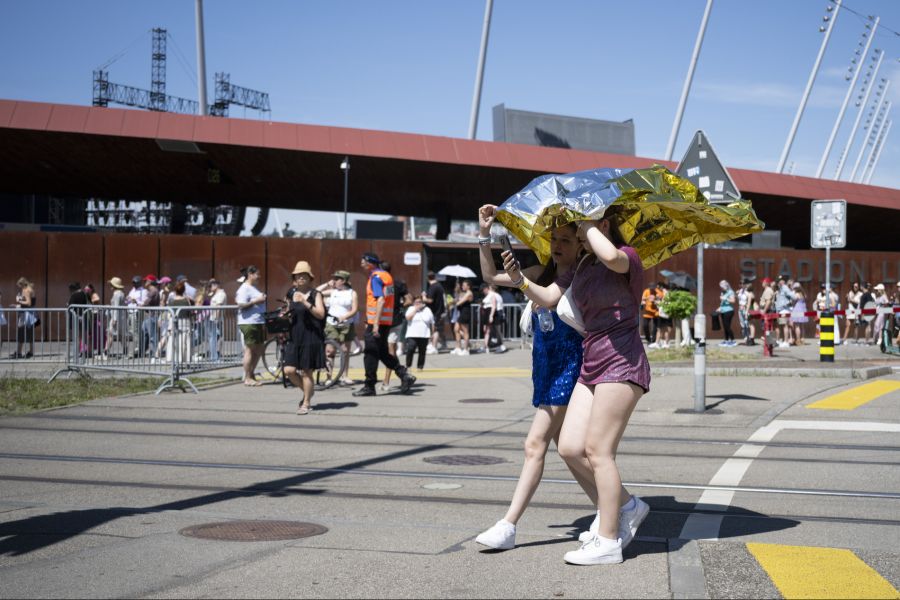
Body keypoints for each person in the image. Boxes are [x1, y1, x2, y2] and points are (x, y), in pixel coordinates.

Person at [499, 211, 651, 565]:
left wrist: (587, 227)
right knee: (568, 447)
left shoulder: (627, 257)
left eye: (583, 232)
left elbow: (610, 257)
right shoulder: (582, 268)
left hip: (622, 360)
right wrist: (520, 279)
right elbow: (549, 296)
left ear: (604, 227)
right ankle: (628, 506)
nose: (578, 240)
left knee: (598, 451)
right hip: (591, 360)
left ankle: (609, 541)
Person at [474, 206, 598, 551]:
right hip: (544, 366)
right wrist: (485, 237)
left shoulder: (578, 276)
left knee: (534, 444)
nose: (557, 245)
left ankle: (508, 525)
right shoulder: (540, 270)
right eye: (553, 238)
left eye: (565, 239)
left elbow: (549, 297)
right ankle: (615, 507)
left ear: (581, 245)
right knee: (567, 450)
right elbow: (488, 277)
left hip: (568, 368)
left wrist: (519, 279)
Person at [352, 253, 416, 397]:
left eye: (364, 260)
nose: (361, 262)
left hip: (378, 322)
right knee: (382, 353)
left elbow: (380, 300)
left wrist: (374, 324)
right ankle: (404, 374)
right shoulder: (387, 276)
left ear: (371, 263)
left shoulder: (375, 277)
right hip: (386, 321)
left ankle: (369, 386)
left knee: (370, 353)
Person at [283, 261, 326, 415]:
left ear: (309, 278)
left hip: (311, 337)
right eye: (298, 276)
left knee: (307, 372)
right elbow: (289, 311)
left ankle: (306, 402)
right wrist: (284, 315)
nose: (300, 278)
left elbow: (321, 315)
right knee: (289, 370)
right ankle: (308, 391)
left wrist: (305, 302)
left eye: (304, 275)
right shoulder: (290, 293)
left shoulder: (316, 294)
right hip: (295, 337)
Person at [317, 270, 359, 386]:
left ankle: (345, 376)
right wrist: (327, 284)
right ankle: (329, 377)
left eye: (337, 279)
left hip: (346, 324)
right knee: (330, 351)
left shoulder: (352, 293)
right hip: (332, 324)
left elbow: (354, 309)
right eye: (333, 278)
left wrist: (345, 316)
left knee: (345, 351)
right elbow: (316, 291)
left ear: (344, 281)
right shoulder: (332, 291)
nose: (334, 281)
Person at [235, 265, 267, 386]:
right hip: (249, 322)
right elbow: (241, 304)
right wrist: (256, 301)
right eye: (257, 274)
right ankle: (247, 378)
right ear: (250, 274)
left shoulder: (253, 287)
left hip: (257, 321)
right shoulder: (244, 288)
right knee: (249, 350)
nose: (259, 276)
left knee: (259, 349)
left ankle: (251, 374)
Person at [404, 296, 434, 371]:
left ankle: (420, 366)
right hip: (412, 334)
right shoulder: (411, 309)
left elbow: (432, 322)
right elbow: (408, 318)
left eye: (419, 302)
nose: (418, 304)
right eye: (416, 302)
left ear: (422, 303)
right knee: (410, 349)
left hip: (424, 334)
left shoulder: (427, 310)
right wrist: (415, 310)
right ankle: (408, 365)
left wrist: (432, 334)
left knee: (422, 351)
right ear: (414, 303)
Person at [423, 271, 446, 354]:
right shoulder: (439, 286)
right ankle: (433, 345)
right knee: (435, 329)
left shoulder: (433, 287)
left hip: (435, 311)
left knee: (435, 329)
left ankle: (434, 347)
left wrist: (423, 297)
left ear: (427, 278)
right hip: (438, 311)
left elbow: (430, 300)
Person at [480, 283, 506, 353]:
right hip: (497, 313)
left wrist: (491, 315)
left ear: (490, 288)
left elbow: (494, 306)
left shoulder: (493, 295)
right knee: (495, 330)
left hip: (496, 313)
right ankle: (497, 345)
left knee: (496, 330)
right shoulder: (497, 295)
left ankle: (500, 345)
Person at [104, 276, 126, 358]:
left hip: (115, 317)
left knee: (110, 334)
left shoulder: (117, 294)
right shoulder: (121, 293)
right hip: (121, 317)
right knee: (120, 335)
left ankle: (106, 351)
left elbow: (116, 306)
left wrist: (114, 319)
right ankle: (125, 350)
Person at [451, 279, 474, 355]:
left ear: (468, 286)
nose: (462, 286)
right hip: (461, 313)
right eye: (462, 285)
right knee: (456, 329)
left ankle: (466, 349)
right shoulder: (464, 293)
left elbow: (459, 303)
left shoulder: (469, 293)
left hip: (465, 313)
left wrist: (453, 302)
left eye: (464, 285)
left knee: (465, 331)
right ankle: (458, 347)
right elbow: (458, 299)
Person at [206, 278, 227, 361]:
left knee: (215, 338)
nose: (209, 288)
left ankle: (214, 357)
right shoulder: (216, 294)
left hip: (216, 319)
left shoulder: (220, 294)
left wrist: (216, 319)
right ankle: (214, 356)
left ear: (215, 285)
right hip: (213, 319)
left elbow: (218, 307)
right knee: (213, 338)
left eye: (210, 286)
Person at [715, 279, 737, 347]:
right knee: (725, 327)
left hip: (729, 311)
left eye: (722, 286)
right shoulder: (722, 292)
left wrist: (725, 299)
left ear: (725, 286)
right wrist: (720, 307)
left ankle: (733, 340)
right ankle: (726, 340)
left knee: (727, 326)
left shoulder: (730, 292)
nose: (721, 288)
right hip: (723, 311)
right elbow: (722, 302)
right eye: (720, 287)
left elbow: (733, 301)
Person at [737, 277, 756, 346]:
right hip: (740, 309)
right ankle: (745, 338)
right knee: (742, 325)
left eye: (743, 283)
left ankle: (750, 338)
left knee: (748, 324)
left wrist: (746, 311)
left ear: (746, 284)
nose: (741, 285)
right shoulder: (740, 291)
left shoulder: (748, 292)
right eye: (740, 283)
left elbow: (751, 299)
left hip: (746, 309)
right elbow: (739, 298)